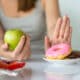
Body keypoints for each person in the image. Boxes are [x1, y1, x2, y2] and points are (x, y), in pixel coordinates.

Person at [0, 0, 72, 60]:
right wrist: (5, 53)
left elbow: (52, 26)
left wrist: (56, 39)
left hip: (42, 60)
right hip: (9, 63)